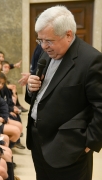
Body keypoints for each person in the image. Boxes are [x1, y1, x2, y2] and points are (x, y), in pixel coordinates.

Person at [25, 5, 102, 180]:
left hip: (69, 147)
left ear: (68, 35)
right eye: (40, 40)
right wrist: (31, 88)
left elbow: (100, 106)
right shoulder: (47, 53)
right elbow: (43, 95)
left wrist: (90, 142)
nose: (43, 46)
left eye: (49, 40)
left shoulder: (91, 60)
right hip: (38, 141)